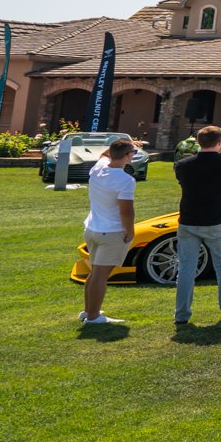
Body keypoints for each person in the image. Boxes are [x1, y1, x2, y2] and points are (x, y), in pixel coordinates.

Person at [172, 126, 221, 326]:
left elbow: (184, 183)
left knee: (186, 268)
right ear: (220, 143)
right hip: (216, 221)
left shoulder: (182, 165)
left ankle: (181, 315)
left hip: (188, 220)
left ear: (197, 142)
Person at [79, 137, 138, 326]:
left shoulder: (97, 168)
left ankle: (89, 311)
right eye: (133, 153)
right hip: (112, 232)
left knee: (96, 272)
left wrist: (124, 144)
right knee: (101, 275)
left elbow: (105, 154)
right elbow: (126, 210)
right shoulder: (126, 180)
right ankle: (94, 317)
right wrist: (130, 230)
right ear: (128, 156)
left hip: (92, 229)